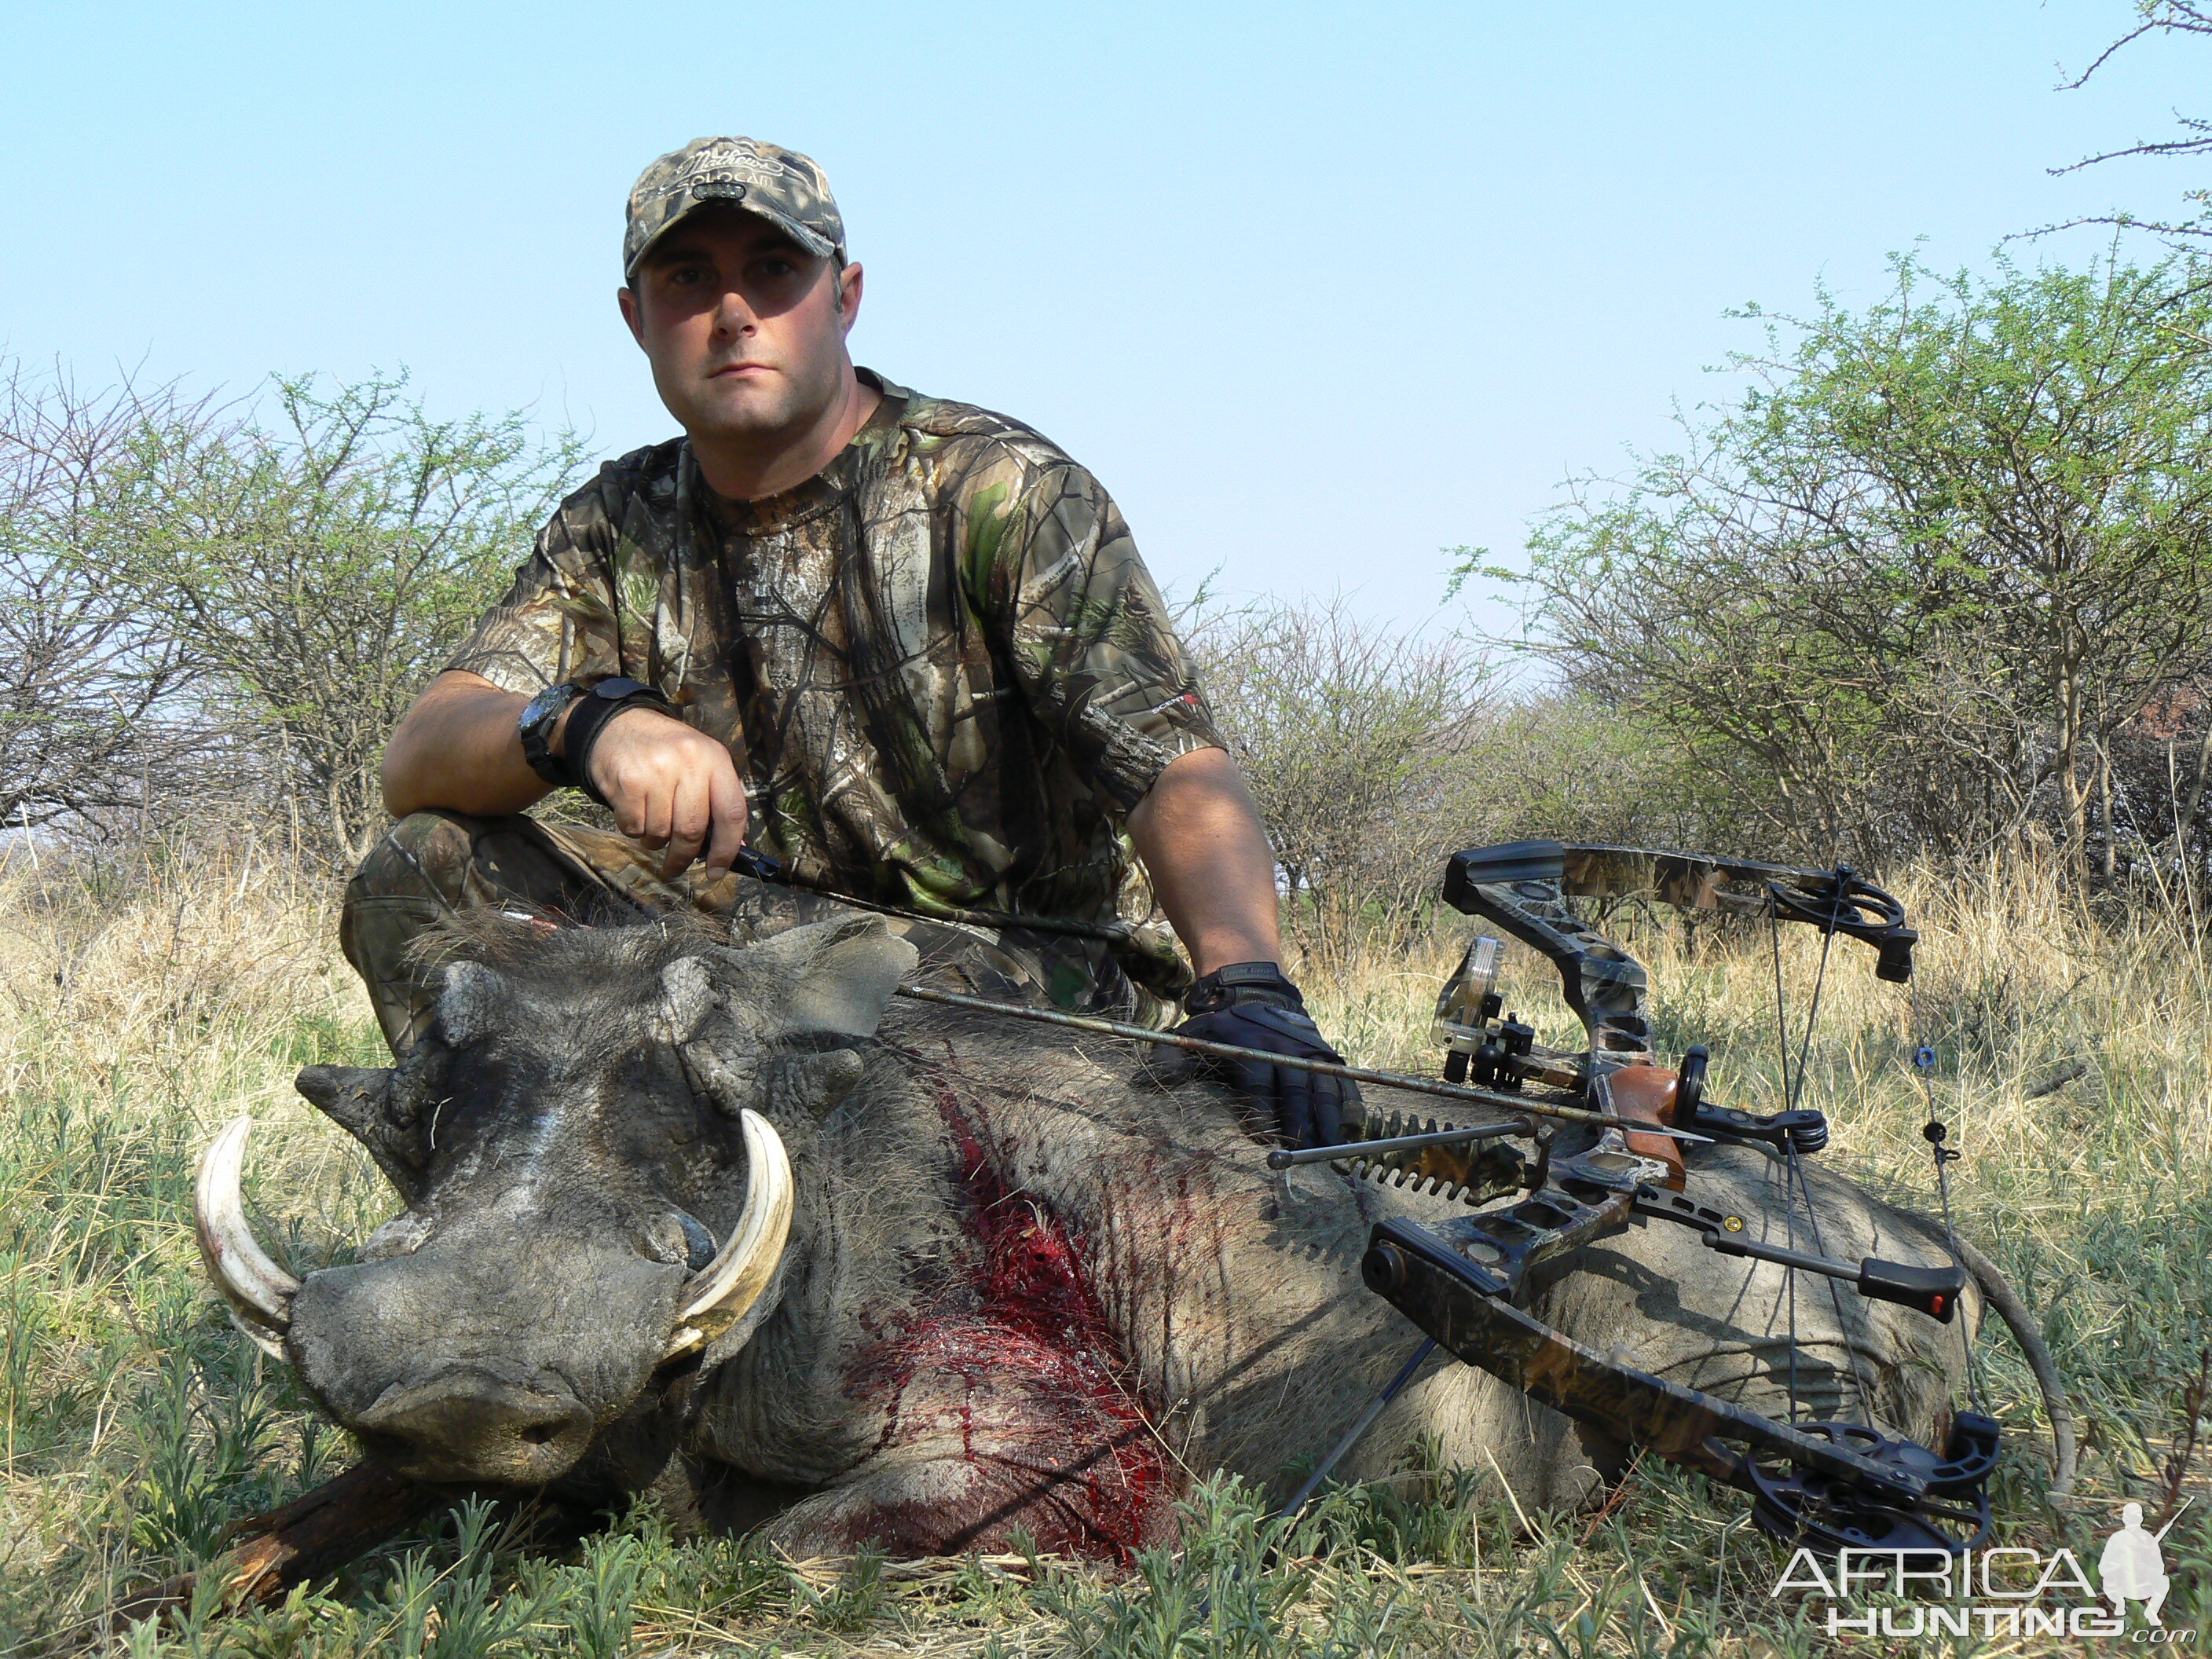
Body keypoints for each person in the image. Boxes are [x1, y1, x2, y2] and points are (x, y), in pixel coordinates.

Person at [352, 135, 1361, 1149]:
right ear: (636, 319)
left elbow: (1169, 766)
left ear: (845, 296)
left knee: (829, 1041)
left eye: (775, 271)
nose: (734, 311)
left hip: (999, 983)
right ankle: (508, 1202)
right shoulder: (613, 524)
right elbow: (420, 753)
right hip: (737, 947)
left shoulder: (1003, 491)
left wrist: (1248, 986)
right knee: (421, 865)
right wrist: (580, 726)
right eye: (688, 278)